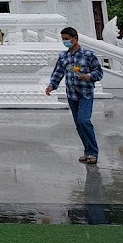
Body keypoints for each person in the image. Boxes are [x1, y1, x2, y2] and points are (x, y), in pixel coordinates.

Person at [45, 26, 104, 164]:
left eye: (66, 39)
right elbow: (58, 72)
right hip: (72, 94)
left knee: (84, 121)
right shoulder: (63, 56)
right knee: (79, 124)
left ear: (75, 38)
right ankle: (87, 150)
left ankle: (93, 152)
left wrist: (88, 76)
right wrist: (51, 86)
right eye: (63, 39)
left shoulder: (88, 55)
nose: (64, 41)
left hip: (85, 93)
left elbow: (99, 72)